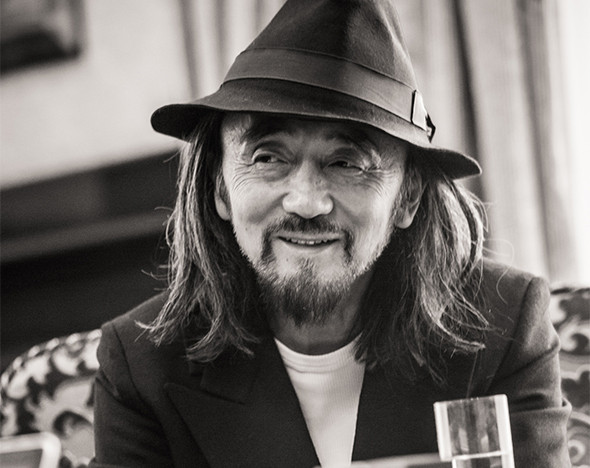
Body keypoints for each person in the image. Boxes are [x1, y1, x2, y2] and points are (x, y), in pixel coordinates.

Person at [90, 0, 571, 466]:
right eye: (268, 157)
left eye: (347, 163)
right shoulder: (141, 366)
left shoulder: (503, 326)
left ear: (407, 198)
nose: (306, 201)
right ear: (220, 188)